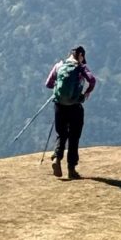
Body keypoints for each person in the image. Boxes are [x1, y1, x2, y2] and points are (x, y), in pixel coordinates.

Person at [45, 44, 98, 180]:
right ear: (80, 55)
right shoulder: (81, 68)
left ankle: (57, 158)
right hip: (75, 106)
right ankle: (71, 169)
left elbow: (48, 84)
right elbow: (92, 80)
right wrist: (86, 93)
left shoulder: (59, 66)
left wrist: (59, 86)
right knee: (74, 136)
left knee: (61, 134)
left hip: (59, 105)